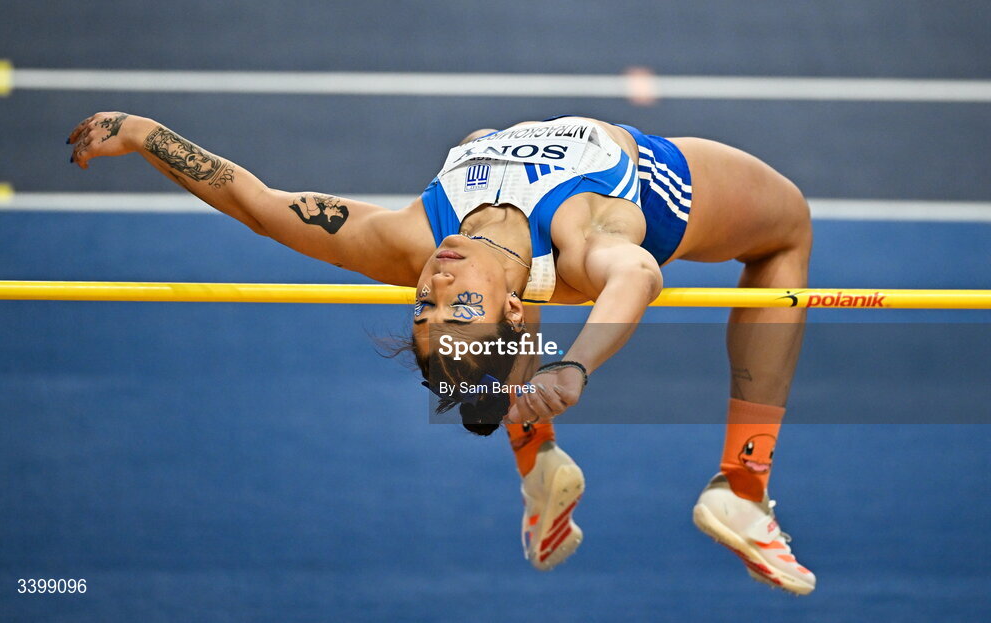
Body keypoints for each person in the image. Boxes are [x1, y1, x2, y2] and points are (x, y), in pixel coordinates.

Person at [68, 112, 815, 594]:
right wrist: (572, 366)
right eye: (454, 304)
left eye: (423, 305)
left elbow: (262, 206)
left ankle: (538, 460)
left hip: (528, 285)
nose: (436, 282)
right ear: (516, 315)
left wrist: (142, 134)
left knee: (486, 342)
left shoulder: (413, 241)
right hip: (655, 184)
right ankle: (742, 486)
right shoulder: (587, 244)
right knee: (787, 230)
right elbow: (639, 275)